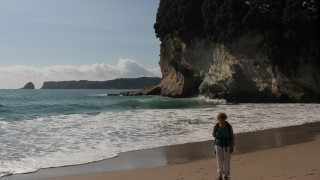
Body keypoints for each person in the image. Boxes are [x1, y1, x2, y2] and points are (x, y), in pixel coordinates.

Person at [212, 112, 235, 180]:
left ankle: (226, 175)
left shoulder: (228, 126)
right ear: (218, 118)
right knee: (219, 160)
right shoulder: (216, 126)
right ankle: (219, 175)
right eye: (220, 117)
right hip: (218, 145)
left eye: (223, 117)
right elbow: (213, 135)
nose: (221, 118)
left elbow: (232, 136)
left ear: (225, 118)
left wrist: (232, 146)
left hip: (227, 145)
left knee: (227, 160)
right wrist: (214, 130)